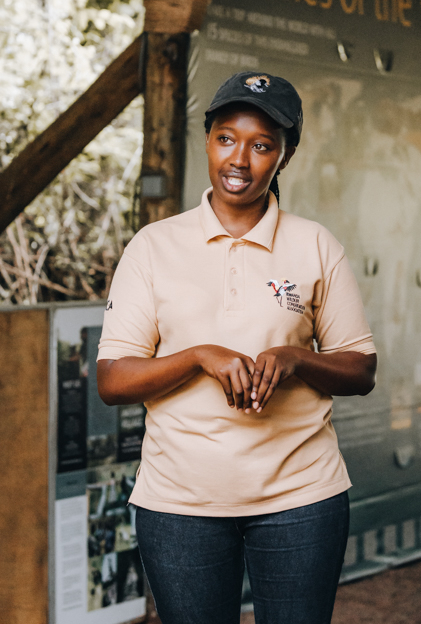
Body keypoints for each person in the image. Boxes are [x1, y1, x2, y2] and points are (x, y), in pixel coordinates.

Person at [97, 71, 377, 624]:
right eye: (226, 138)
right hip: (179, 504)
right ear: (208, 140)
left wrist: (296, 358)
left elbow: (360, 368)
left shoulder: (316, 245)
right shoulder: (154, 247)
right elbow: (113, 380)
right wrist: (201, 356)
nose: (239, 159)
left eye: (261, 145)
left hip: (302, 499)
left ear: (285, 156)